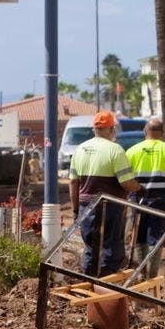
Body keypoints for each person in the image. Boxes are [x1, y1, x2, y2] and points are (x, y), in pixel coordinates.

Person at [68, 111, 141, 277]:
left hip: (86, 206)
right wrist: (139, 188)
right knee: (112, 245)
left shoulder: (80, 149)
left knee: (90, 246)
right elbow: (126, 183)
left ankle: (89, 279)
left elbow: (73, 183)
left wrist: (75, 210)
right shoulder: (115, 150)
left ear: (95, 129)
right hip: (111, 206)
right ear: (111, 129)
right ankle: (107, 282)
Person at [125, 117, 165, 274]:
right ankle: (152, 274)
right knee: (157, 235)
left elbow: (124, 178)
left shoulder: (132, 150)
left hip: (137, 199)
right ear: (162, 133)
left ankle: (142, 272)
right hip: (160, 199)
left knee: (139, 236)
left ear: (145, 132)